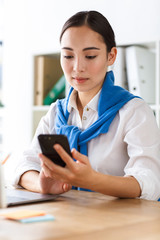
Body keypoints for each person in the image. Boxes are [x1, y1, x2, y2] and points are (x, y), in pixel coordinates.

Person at [14, 10, 160, 200]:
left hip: (121, 225)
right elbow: (24, 167)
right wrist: (41, 185)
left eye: (90, 56)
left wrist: (92, 180)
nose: (77, 67)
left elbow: (150, 183)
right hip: (69, 220)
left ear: (111, 56)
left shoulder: (134, 112)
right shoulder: (56, 113)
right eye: (68, 56)